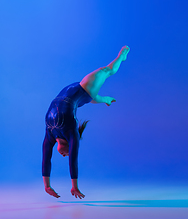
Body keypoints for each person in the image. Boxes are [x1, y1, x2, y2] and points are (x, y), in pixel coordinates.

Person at [42, 45, 130, 199]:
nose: (65, 156)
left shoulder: (50, 135)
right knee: (105, 75)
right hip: (85, 88)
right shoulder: (71, 132)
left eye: (66, 154)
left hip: (81, 91)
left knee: (103, 81)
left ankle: (118, 64)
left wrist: (47, 186)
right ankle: (118, 65)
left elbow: (46, 157)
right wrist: (74, 187)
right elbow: (73, 159)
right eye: (68, 153)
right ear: (71, 144)